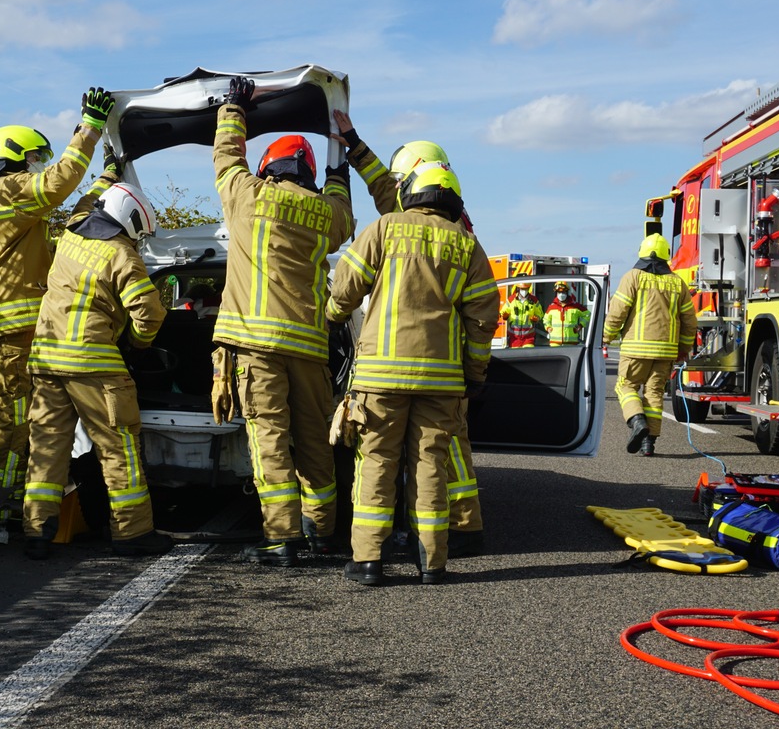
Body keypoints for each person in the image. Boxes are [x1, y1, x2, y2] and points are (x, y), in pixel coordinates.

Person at [327, 162, 499, 585]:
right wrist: (474, 373)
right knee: (430, 466)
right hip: (440, 382)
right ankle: (432, 562)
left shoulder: (384, 227)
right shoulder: (467, 245)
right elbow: (483, 318)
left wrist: (333, 314)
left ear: (411, 192)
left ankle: (368, 562)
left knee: (376, 463)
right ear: (453, 200)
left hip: (379, 378)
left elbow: (345, 287)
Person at [213, 77, 354, 567]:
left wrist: (234, 107)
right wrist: (340, 157)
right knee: (316, 442)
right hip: (311, 349)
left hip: (257, 347)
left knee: (268, 438)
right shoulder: (326, 214)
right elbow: (344, 208)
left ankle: (283, 537)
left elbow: (226, 158)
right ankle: (321, 531)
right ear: (309, 174)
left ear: (268, 167)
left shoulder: (247, 197)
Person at [0, 87, 116, 529]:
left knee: (28, 422)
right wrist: (88, 128)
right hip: (15, 331)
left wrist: (105, 181)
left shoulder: (11, 206)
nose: (37, 168)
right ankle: (0, 506)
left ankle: (19, 503)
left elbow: (72, 218)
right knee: (14, 425)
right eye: (34, 159)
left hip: (17, 330)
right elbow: (56, 184)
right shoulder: (5, 190)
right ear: (17, 158)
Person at [22, 179, 173, 560]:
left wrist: (108, 169)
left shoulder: (71, 231)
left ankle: (38, 532)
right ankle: (132, 533)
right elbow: (149, 314)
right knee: (119, 449)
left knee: (47, 447)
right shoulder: (122, 253)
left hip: (45, 360)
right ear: (132, 222)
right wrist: (139, 345)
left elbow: (88, 197)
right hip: (93, 366)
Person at [602, 234, 696, 457]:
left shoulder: (633, 277)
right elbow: (690, 321)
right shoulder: (677, 283)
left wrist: (606, 337)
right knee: (654, 393)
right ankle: (648, 444)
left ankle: (636, 421)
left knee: (626, 386)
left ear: (642, 253)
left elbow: (618, 312)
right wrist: (683, 348)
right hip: (666, 351)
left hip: (636, 349)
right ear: (666, 256)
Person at [542, 281, 590, 346]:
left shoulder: (575, 306)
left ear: (567, 292)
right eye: (559, 292)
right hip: (555, 342)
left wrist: (581, 325)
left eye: (563, 292)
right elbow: (546, 319)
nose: (561, 294)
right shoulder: (552, 307)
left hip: (571, 342)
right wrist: (548, 327)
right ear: (556, 293)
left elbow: (587, 314)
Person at [501, 282, 545, 348]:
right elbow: (502, 312)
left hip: (528, 337)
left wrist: (537, 318)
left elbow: (541, 314)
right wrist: (505, 316)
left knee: (528, 355)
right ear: (518, 289)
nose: (524, 291)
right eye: (522, 289)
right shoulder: (511, 299)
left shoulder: (534, 300)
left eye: (526, 289)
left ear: (528, 288)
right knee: (515, 356)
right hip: (514, 337)